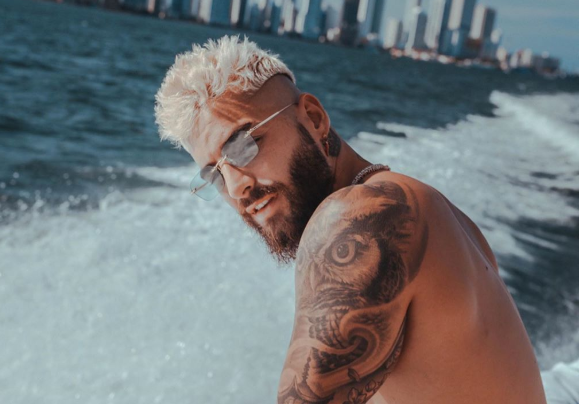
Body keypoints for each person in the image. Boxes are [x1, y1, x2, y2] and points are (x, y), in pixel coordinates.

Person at [154, 35, 550, 404]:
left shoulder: (365, 217)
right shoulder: (442, 215)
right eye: (214, 174)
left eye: (243, 145)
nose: (236, 186)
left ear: (314, 118)